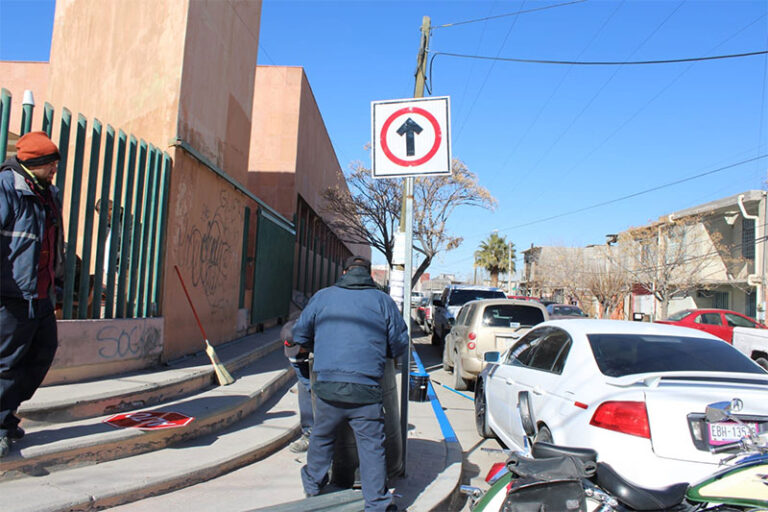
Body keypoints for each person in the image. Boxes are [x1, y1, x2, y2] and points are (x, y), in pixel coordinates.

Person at [292, 256, 408, 512]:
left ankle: (313, 488)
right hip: (366, 391)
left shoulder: (322, 297)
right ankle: (377, 503)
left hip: (328, 388)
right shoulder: (383, 301)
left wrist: (318, 343)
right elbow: (400, 343)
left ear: (344, 272)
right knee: (371, 447)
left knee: (321, 437)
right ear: (369, 275)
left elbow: (299, 334)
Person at [0, 131, 64, 457]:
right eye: (50, 164)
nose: (54, 170)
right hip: (11, 297)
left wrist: (59, 286)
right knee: (7, 364)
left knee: (42, 354)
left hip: (41, 296)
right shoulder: (7, 188)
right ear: (33, 163)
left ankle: (6, 413)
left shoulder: (48, 194)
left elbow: (55, 245)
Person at [281, 319, 313, 452]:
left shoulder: (320, 337)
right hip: (309, 370)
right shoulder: (293, 354)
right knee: (303, 387)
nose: (296, 352)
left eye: (297, 349)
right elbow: (304, 378)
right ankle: (309, 434)